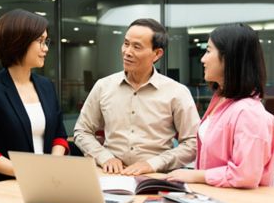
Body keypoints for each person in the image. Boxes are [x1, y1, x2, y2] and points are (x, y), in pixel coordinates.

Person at [74, 18, 200, 175]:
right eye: (126, 43)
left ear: (157, 54)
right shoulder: (103, 86)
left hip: (155, 177)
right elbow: (82, 131)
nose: (127, 52)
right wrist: (104, 157)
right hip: (110, 176)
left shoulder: (177, 92)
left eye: (137, 47)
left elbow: (193, 142)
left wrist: (153, 164)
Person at [167, 23, 274, 188]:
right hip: (215, 198)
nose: (202, 59)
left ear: (229, 58)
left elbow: (245, 176)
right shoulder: (220, 99)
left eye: (208, 51)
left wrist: (196, 175)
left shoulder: (249, 113)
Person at [0, 9, 69, 184]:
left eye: (46, 41)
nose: (45, 48)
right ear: (19, 42)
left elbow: (59, 134)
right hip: (3, 184)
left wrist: (53, 164)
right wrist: (27, 173)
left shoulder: (46, 86)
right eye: (40, 41)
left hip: (47, 181)